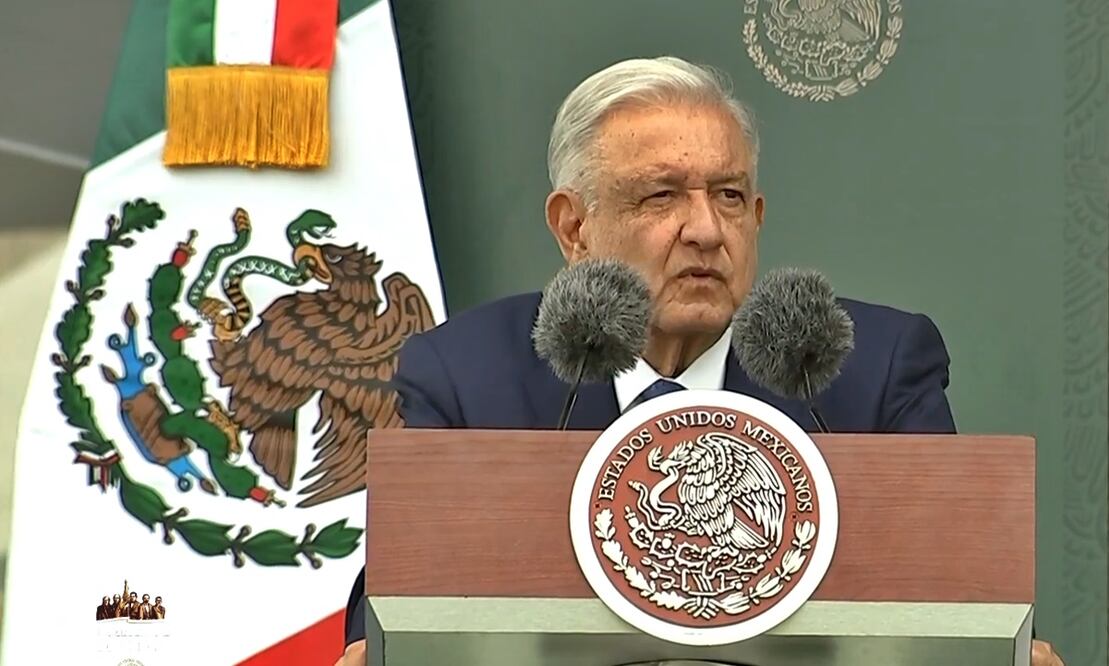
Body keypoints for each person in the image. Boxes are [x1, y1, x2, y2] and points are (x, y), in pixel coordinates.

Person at [333, 56, 1063, 666]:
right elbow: (395, 617)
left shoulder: (864, 368)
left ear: (757, 216)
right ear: (574, 228)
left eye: (729, 196)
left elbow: (951, 610)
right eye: (660, 196)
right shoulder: (465, 376)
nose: (706, 231)